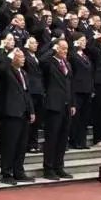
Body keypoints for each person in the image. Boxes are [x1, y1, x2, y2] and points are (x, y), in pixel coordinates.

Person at [0, 46, 35, 185]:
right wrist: (11, 53)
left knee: (21, 144)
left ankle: (19, 171)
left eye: (24, 57)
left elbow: (27, 93)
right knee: (9, 144)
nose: (23, 59)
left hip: (24, 113)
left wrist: (31, 111)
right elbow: (1, 68)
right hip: (11, 113)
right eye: (20, 57)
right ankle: (6, 172)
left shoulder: (24, 73)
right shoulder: (7, 71)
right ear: (13, 59)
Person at [40, 39, 75, 180]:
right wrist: (51, 48)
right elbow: (41, 59)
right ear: (56, 48)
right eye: (62, 48)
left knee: (62, 138)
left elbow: (69, 85)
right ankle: (48, 168)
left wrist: (72, 103)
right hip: (53, 105)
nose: (65, 51)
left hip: (66, 105)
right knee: (52, 138)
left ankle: (59, 166)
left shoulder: (67, 63)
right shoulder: (50, 62)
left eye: (67, 49)